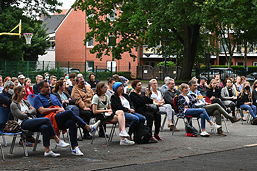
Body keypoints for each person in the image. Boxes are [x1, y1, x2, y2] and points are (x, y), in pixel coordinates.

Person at [33, 80, 100, 156]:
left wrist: (61, 110)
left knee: (71, 122)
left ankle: (75, 148)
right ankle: (88, 127)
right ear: (40, 88)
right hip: (48, 120)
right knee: (69, 112)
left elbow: (61, 107)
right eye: (46, 87)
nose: (49, 88)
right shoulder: (37, 98)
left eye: (49, 86)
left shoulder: (53, 96)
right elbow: (42, 111)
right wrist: (55, 109)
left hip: (58, 117)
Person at [10, 86, 70, 157]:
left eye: (25, 91)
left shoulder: (25, 102)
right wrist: (29, 112)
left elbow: (34, 111)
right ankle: (57, 139)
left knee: (45, 127)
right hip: (22, 124)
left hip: (31, 121)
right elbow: (21, 116)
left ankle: (47, 150)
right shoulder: (13, 104)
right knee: (46, 119)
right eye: (23, 91)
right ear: (17, 93)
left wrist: (26, 112)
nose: (25, 93)